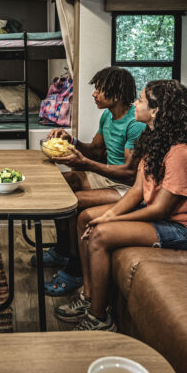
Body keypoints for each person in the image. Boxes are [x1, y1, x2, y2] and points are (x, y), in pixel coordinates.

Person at [55, 79, 187, 332]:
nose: (135, 103)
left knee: (99, 234)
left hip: (186, 230)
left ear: (156, 110)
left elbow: (161, 209)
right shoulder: (155, 140)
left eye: (140, 100)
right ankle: (88, 297)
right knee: (86, 217)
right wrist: (108, 214)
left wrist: (110, 220)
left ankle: (99, 319)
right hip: (163, 219)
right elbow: (138, 190)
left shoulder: (183, 151)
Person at [40, 66, 146, 296]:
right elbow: (96, 151)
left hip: (127, 187)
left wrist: (86, 165)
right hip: (106, 176)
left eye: (99, 89)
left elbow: (129, 173)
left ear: (116, 94)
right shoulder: (107, 115)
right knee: (60, 186)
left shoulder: (135, 124)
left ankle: (76, 270)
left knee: (74, 202)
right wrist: (72, 140)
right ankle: (62, 249)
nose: (94, 94)